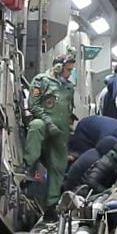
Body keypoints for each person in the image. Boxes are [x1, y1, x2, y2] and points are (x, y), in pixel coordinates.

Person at [23, 54, 77, 208]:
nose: (70, 73)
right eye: (68, 69)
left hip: (61, 130)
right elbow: (33, 105)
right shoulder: (41, 81)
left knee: (58, 167)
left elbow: (69, 110)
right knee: (36, 126)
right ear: (58, 67)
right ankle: (27, 165)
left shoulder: (69, 87)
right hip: (45, 124)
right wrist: (48, 122)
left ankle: (51, 206)